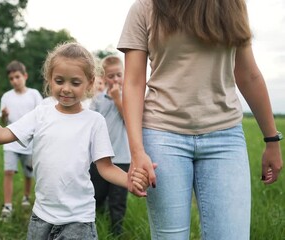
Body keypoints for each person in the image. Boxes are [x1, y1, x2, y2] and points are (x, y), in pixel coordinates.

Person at [118, 0, 283, 239]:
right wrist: (136, 151)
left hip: (225, 138)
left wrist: (272, 139)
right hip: (163, 136)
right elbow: (133, 83)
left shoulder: (233, 5)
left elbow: (248, 74)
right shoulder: (145, 7)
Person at [0, 42, 149, 239]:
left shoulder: (94, 121)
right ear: (49, 79)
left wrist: (128, 181)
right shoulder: (41, 113)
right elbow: (0, 136)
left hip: (78, 220)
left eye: (75, 83)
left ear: (89, 82)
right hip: (41, 216)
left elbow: (105, 167)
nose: (66, 89)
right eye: (59, 81)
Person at [89, 55, 130, 236]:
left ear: (124, 74)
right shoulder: (97, 100)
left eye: (118, 75)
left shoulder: (129, 97)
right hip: (99, 158)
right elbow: (90, 124)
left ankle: (116, 232)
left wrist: (117, 99)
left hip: (122, 158)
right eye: (111, 76)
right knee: (97, 195)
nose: (115, 80)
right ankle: (96, 227)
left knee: (118, 200)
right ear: (104, 78)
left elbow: (130, 121)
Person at [0, 60, 43, 220]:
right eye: (11, 78)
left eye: (17, 77)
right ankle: (8, 206)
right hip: (10, 142)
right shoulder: (6, 96)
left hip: (30, 143)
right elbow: (3, 122)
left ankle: (26, 196)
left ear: (25, 76)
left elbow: (41, 117)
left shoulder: (34, 94)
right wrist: (4, 115)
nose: (14, 81)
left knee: (28, 172)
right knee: (8, 171)